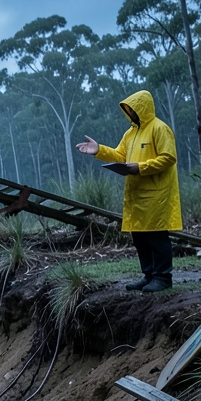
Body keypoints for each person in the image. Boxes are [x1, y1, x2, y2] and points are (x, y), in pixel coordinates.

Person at [75, 90, 181, 293]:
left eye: (133, 108)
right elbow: (120, 154)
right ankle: (149, 275)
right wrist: (99, 150)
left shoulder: (160, 128)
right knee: (139, 236)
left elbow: (168, 157)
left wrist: (139, 168)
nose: (130, 112)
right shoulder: (130, 133)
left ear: (143, 107)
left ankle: (163, 277)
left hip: (156, 194)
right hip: (136, 195)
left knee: (156, 236)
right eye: (128, 109)